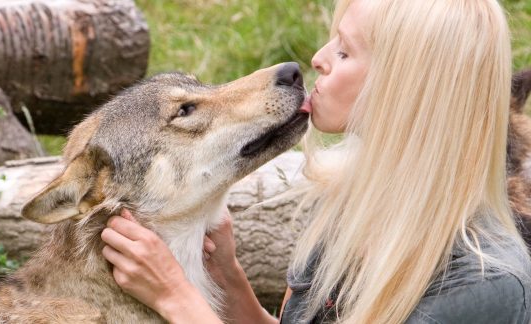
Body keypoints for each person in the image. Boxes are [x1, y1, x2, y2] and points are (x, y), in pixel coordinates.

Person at [99, 0, 531, 323]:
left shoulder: (483, 288)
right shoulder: (352, 192)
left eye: (344, 52)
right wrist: (229, 283)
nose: (319, 58)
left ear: (403, 91)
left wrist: (180, 300)